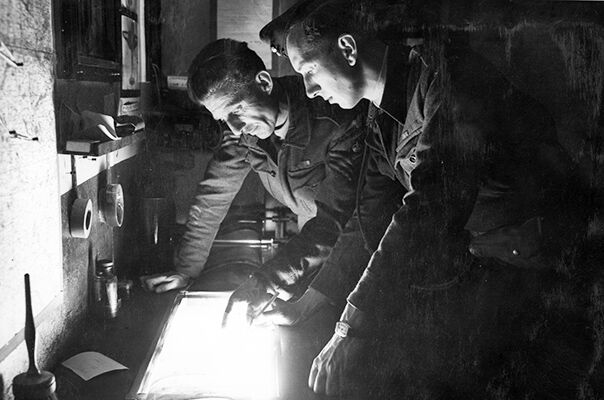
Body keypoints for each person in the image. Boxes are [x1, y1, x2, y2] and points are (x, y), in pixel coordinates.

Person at [281, 1, 590, 398]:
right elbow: (370, 215)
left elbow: (433, 204)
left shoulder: (447, 75)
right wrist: (315, 298)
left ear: (347, 48)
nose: (308, 89)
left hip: (546, 269)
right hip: (489, 263)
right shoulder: (379, 116)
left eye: (308, 70)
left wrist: (353, 322)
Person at [141, 39, 367, 325]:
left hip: (353, 262)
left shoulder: (334, 119)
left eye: (236, 110)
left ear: (263, 83)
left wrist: (265, 282)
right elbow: (214, 194)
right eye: (224, 119)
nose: (234, 128)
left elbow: (335, 221)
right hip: (305, 261)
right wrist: (186, 270)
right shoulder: (244, 133)